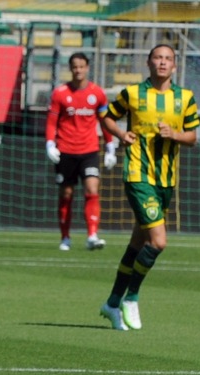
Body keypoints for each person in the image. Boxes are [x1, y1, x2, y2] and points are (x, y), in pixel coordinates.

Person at [99, 44, 199, 330]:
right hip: (138, 175)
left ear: (175, 66)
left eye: (168, 59)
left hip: (166, 180)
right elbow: (106, 116)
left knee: (138, 243)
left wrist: (175, 134)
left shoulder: (185, 98)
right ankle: (132, 296)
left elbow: (192, 136)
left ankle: (111, 303)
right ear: (149, 62)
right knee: (158, 242)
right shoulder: (133, 94)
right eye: (158, 58)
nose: (163, 63)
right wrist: (120, 133)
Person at [45, 52, 117, 252]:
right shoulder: (60, 93)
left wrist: (111, 147)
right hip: (66, 151)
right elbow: (52, 122)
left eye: (81, 66)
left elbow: (105, 122)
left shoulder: (98, 94)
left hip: (89, 151)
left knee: (92, 189)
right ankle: (65, 237)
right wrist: (50, 144)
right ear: (71, 69)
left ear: (87, 68)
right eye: (74, 67)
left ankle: (92, 235)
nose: (78, 70)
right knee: (66, 194)